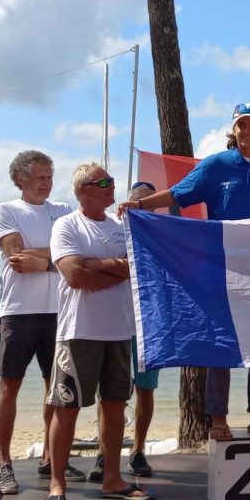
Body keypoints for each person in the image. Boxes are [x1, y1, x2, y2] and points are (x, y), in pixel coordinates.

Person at [118, 103, 250, 442]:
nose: (247, 131)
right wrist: (139, 206)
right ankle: (218, 418)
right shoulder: (215, 165)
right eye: (241, 125)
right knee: (219, 345)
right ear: (233, 130)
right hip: (219, 269)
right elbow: (178, 194)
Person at [39, 164, 152, 500]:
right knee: (67, 408)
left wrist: (99, 264)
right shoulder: (67, 225)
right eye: (103, 183)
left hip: (119, 331)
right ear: (83, 189)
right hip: (79, 332)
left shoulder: (120, 226)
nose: (110, 187)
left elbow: (137, 267)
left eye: (112, 182)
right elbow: (74, 275)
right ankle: (57, 483)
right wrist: (116, 268)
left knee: (116, 405)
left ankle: (113, 478)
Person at [0, 150, 84, 495]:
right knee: (10, 386)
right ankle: (3, 463)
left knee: (57, 389)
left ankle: (50, 457)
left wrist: (44, 260)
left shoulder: (62, 211)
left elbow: (77, 252)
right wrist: (57, 255)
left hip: (61, 312)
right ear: (21, 179)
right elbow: (17, 256)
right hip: (17, 312)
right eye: (40, 177)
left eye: (49, 176)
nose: (47, 183)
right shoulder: (6, 211)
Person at [88, 181, 160, 482]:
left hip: (149, 326)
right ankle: (105, 452)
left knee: (145, 390)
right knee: (109, 393)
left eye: (146, 202)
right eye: (135, 201)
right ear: (126, 204)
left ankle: (138, 450)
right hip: (115, 323)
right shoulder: (115, 231)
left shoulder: (163, 235)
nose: (139, 206)